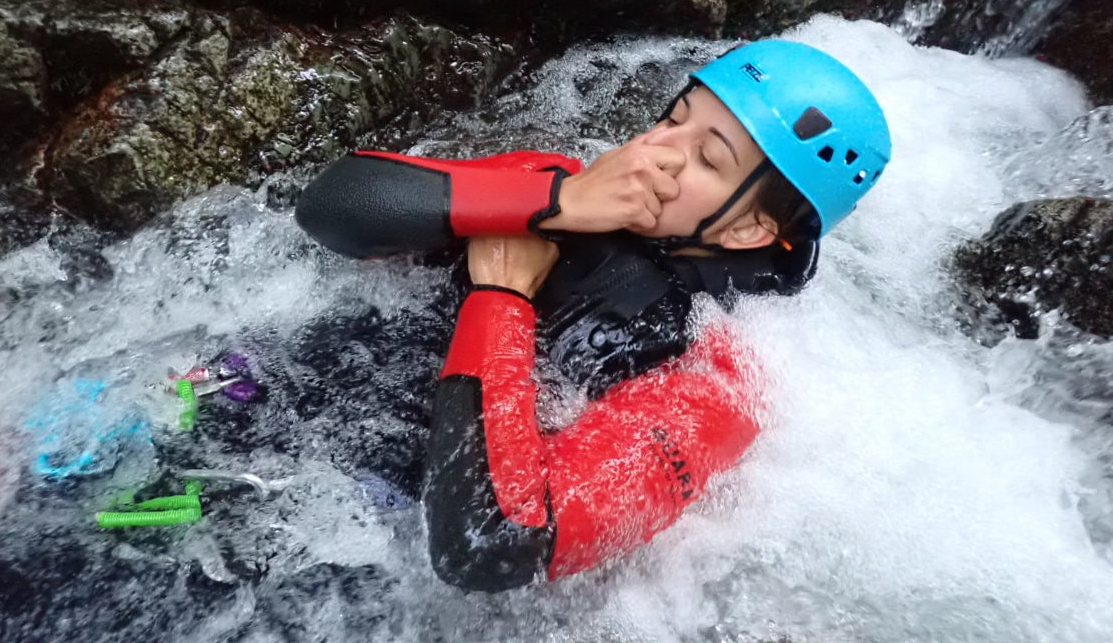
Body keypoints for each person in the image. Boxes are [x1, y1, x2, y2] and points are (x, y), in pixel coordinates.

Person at [295, 39, 891, 591]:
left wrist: (500, 294)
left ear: (750, 229)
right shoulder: (562, 186)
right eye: (674, 118)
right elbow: (331, 206)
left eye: (707, 158)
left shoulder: (716, 381)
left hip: (350, 529)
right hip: (278, 388)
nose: (655, 150)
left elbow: (490, 544)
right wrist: (555, 203)